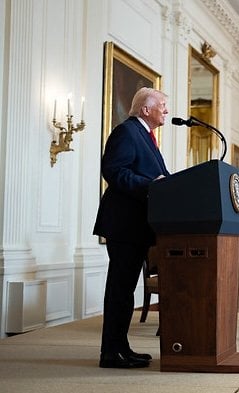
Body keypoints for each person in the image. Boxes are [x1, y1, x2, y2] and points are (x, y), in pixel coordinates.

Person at [93, 87, 170, 369]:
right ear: (145, 109)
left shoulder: (146, 136)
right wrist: (152, 185)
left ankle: (121, 347)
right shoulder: (127, 131)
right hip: (124, 223)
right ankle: (111, 352)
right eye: (162, 104)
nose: (166, 110)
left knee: (126, 290)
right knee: (120, 289)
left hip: (137, 225)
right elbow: (113, 170)